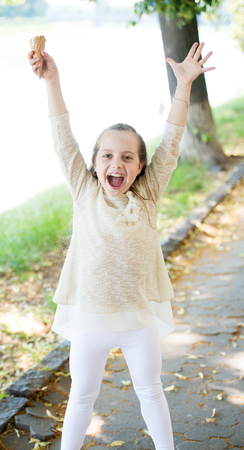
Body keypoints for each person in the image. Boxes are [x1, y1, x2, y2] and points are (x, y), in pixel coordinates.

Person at [28, 41, 215, 450]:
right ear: (94, 163)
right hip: (90, 321)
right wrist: (53, 80)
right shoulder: (84, 191)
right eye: (108, 156)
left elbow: (171, 140)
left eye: (128, 158)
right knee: (82, 397)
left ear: (142, 166)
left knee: (150, 392)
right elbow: (62, 138)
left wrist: (183, 86)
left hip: (137, 322)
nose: (118, 164)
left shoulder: (147, 197)